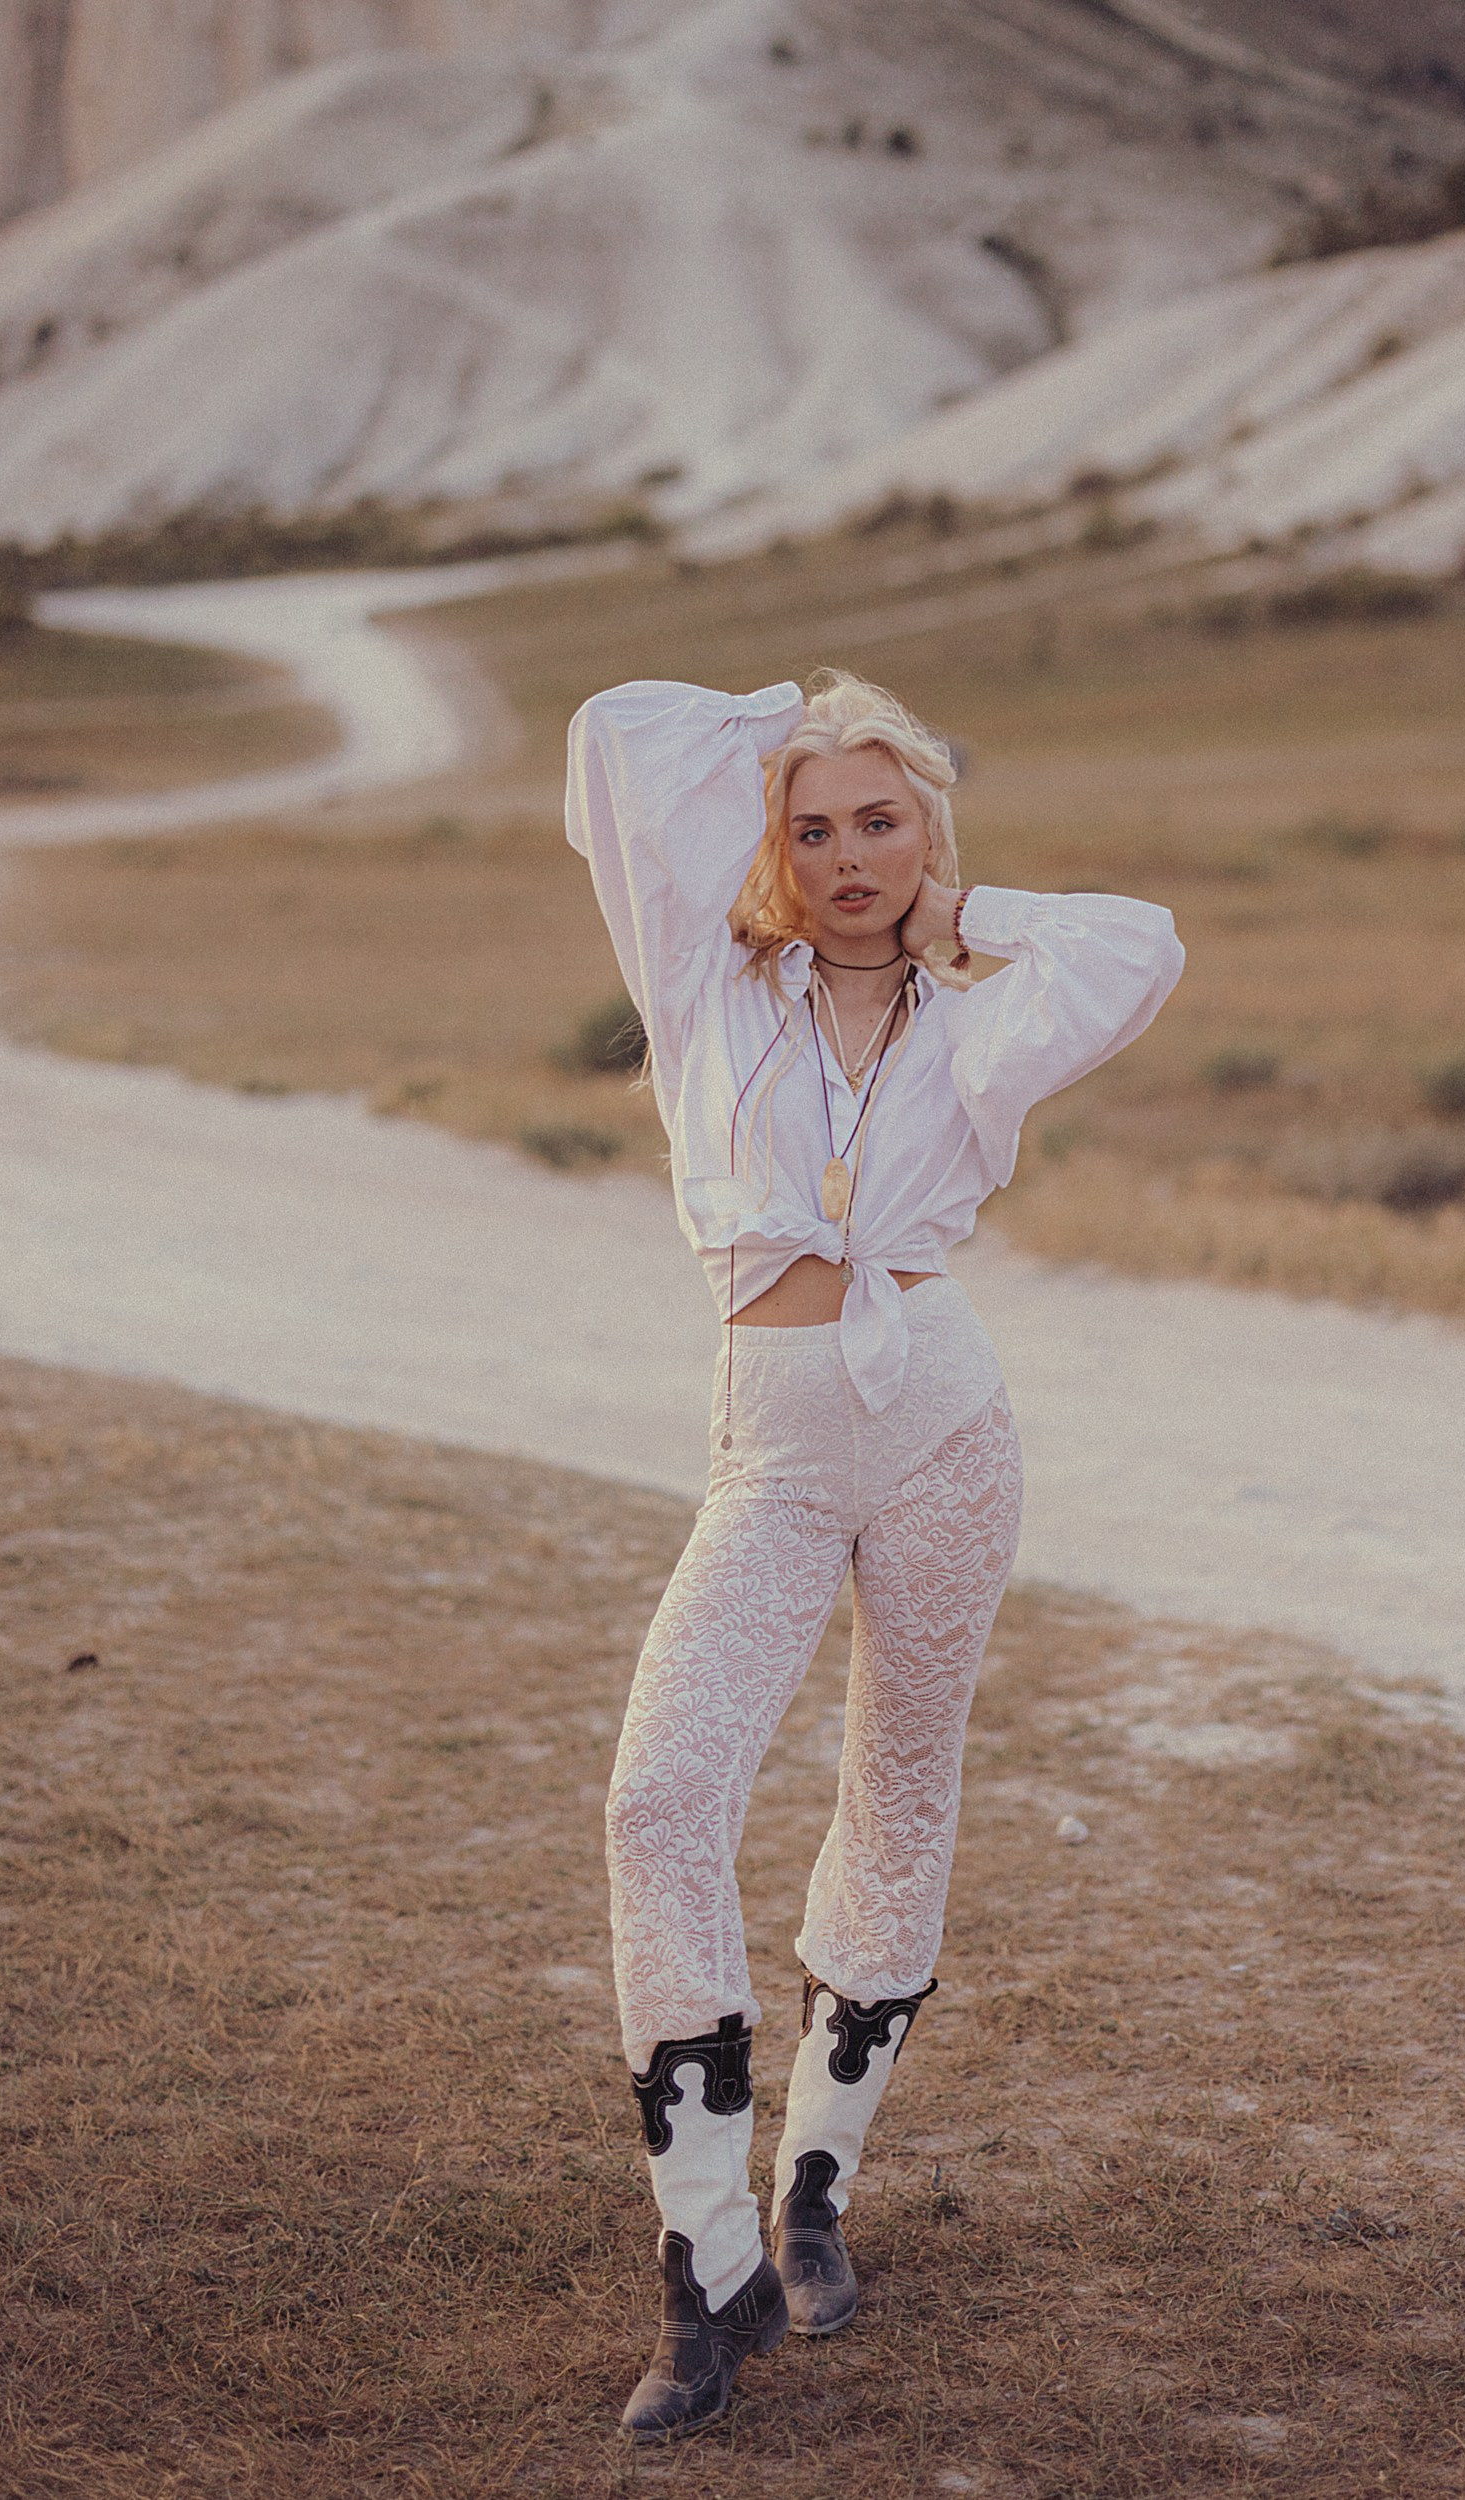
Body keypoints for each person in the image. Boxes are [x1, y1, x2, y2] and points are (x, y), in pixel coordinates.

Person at [565, 669, 1184, 2443]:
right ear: (772, 839)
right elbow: (614, 738)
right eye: (813, 824)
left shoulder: (980, 1014)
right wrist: (794, 716)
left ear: (928, 837)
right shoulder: (706, 983)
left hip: (941, 1434)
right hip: (770, 1453)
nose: (846, 856)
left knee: (900, 1784)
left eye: (881, 821)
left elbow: (1139, 945)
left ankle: (813, 2196)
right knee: (659, 1800)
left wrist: (960, 920)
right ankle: (705, 2272)